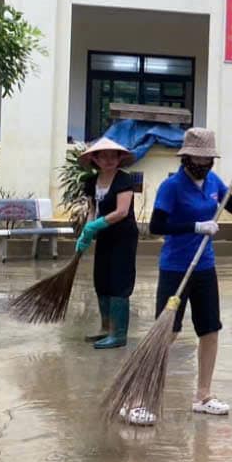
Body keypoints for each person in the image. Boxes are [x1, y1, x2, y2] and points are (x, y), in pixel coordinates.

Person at [147, 128, 232, 419]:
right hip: (175, 266)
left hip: (204, 266)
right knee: (166, 332)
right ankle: (143, 394)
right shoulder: (172, 186)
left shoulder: (212, 181)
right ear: (186, 157)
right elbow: (156, 226)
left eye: (207, 158)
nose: (202, 162)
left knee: (209, 330)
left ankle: (203, 395)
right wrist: (196, 226)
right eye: (197, 157)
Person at [74, 137, 139, 350]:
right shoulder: (91, 182)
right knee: (102, 280)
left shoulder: (124, 180)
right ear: (95, 159)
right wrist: (87, 230)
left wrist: (97, 225)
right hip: (104, 236)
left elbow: (122, 211)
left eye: (113, 156)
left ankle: (118, 334)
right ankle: (105, 329)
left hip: (123, 237)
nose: (109, 160)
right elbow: (94, 209)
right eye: (104, 156)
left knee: (119, 282)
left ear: (120, 158)